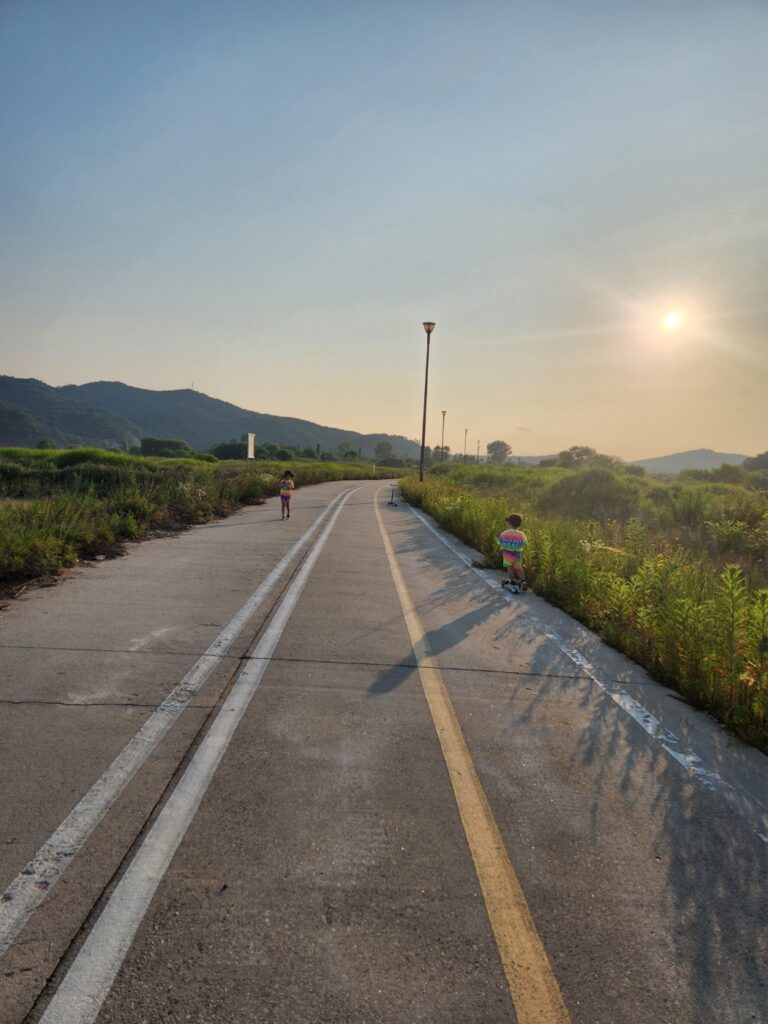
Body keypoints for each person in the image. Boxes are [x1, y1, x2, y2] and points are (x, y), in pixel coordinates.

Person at [498, 513, 528, 591]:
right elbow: (525, 544)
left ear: (509, 523)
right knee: (519, 568)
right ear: (519, 525)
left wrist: (502, 551)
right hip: (517, 554)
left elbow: (500, 543)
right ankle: (523, 581)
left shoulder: (504, 533)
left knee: (510, 568)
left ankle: (512, 581)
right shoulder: (522, 534)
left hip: (507, 554)